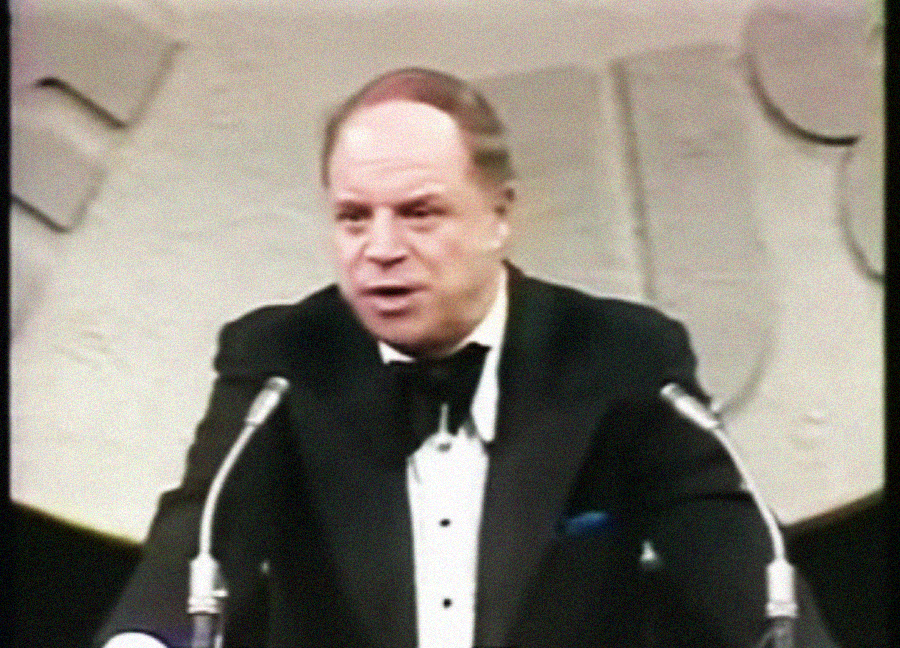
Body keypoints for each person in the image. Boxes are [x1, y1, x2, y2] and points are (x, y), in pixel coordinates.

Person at [96, 68, 837, 648]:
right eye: (354, 217)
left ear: (501, 216)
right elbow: (200, 540)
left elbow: (744, 573)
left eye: (419, 212)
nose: (380, 249)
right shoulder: (284, 362)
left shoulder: (620, 359)